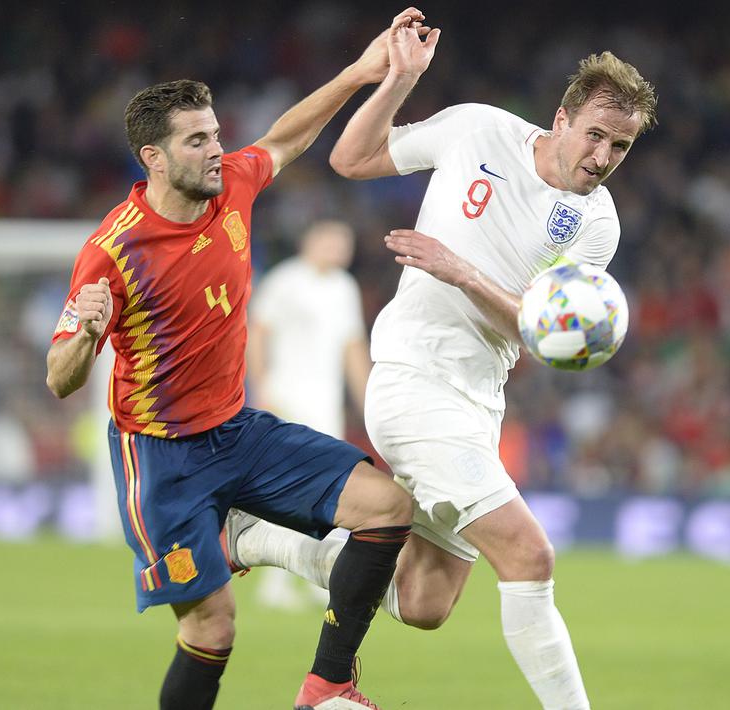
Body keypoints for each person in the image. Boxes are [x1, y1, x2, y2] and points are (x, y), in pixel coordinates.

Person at [225, 24, 658, 709]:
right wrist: (399, 80)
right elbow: (351, 158)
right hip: (413, 377)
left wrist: (464, 273)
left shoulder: (596, 223)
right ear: (561, 119)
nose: (602, 157)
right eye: (596, 135)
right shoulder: (478, 130)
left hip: (479, 399)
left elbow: (540, 334)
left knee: (424, 600)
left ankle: (258, 535)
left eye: (621, 146)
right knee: (529, 555)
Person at [44, 10, 429, 709]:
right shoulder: (112, 252)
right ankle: (232, 538)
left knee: (387, 507)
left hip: (237, 430)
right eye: (196, 141)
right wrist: (82, 334)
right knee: (213, 628)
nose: (216, 151)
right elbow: (59, 379)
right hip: (161, 457)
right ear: (153, 158)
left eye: (216, 134)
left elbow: (285, 137)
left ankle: (327, 685)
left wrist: (360, 71)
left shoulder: (233, 188)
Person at [246, 220, 371, 611]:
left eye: (345, 243)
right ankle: (275, 581)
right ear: (311, 241)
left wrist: (369, 403)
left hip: (324, 401)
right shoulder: (285, 281)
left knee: (328, 488)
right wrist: (261, 388)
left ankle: (321, 575)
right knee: (286, 489)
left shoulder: (344, 288)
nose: (340, 249)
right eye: (333, 241)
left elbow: (353, 348)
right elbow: (257, 332)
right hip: (285, 396)